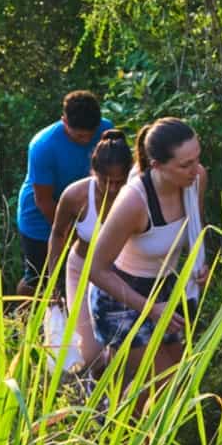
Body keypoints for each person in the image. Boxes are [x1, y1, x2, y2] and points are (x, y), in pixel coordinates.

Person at [85, 118, 208, 380]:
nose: (194, 169)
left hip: (162, 288)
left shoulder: (196, 179)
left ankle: (110, 402)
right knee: (164, 383)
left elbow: (196, 229)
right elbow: (95, 270)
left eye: (197, 158)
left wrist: (200, 266)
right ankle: (106, 407)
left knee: (178, 375)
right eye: (185, 164)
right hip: (119, 296)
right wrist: (150, 308)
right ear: (157, 166)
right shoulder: (134, 202)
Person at [44, 127, 134, 376]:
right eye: (107, 181)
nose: (114, 188)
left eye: (120, 181)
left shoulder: (136, 194)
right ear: (94, 172)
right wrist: (53, 282)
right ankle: (92, 399)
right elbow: (58, 234)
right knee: (91, 353)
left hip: (123, 272)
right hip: (82, 270)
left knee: (125, 347)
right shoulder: (76, 196)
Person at [15, 90, 111, 289]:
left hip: (87, 212)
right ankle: (23, 315)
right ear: (64, 121)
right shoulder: (43, 146)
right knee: (38, 279)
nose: (86, 141)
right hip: (41, 218)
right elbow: (43, 201)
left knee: (84, 274)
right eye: (79, 136)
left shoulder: (106, 132)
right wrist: (70, 235)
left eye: (90, 135)